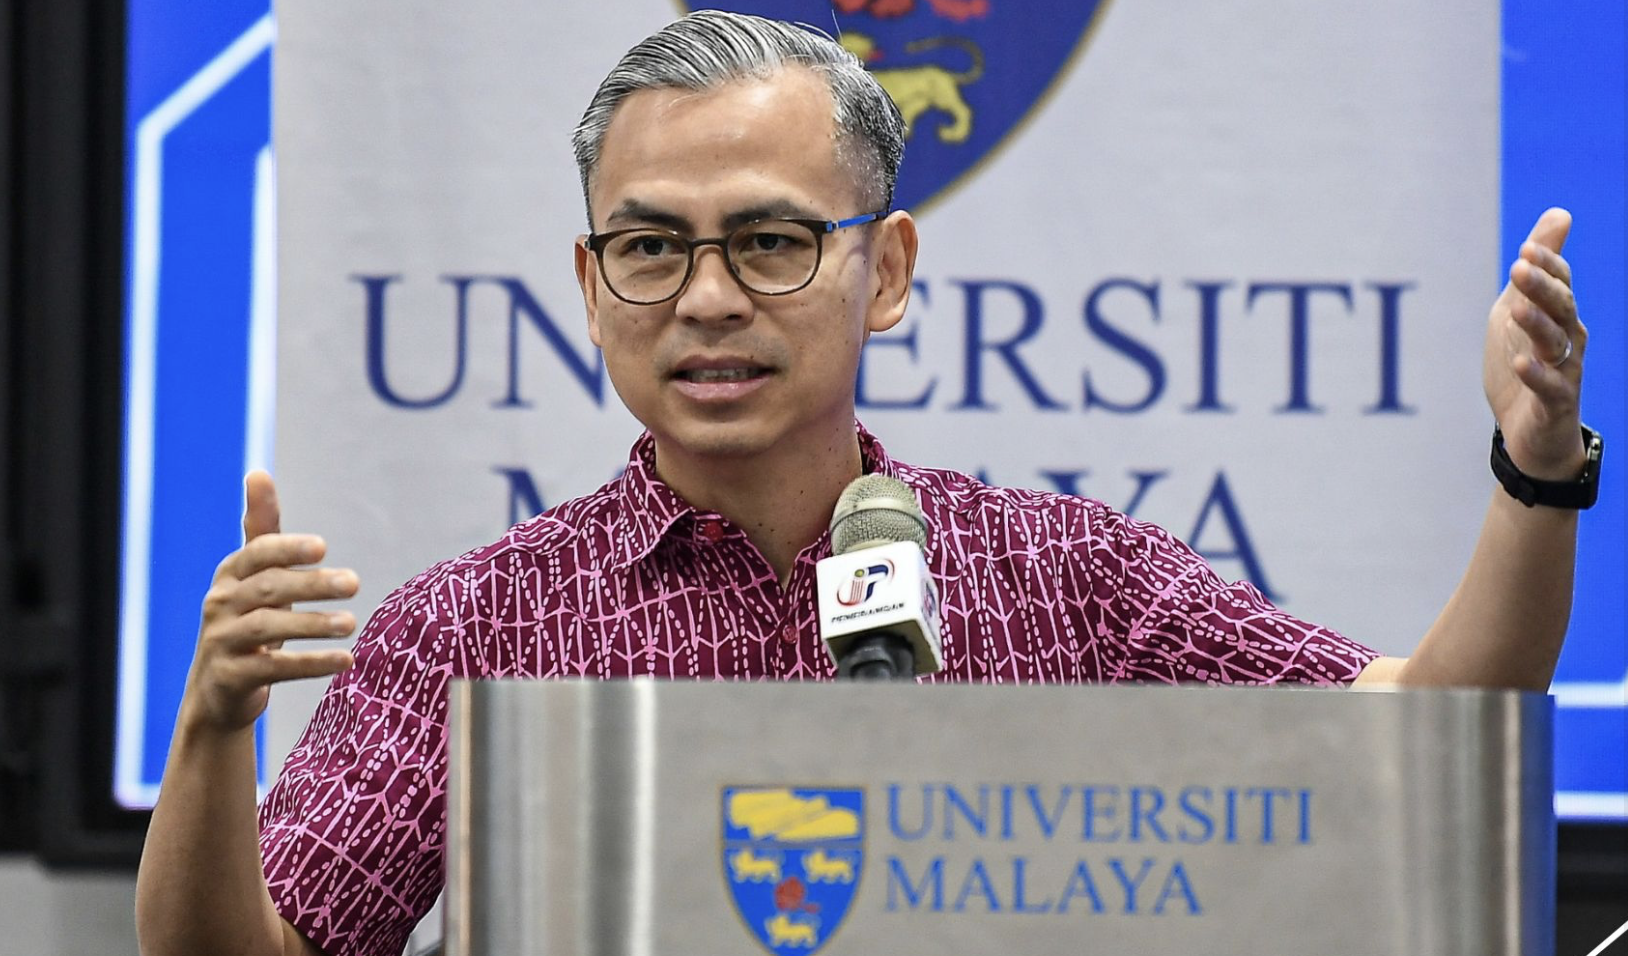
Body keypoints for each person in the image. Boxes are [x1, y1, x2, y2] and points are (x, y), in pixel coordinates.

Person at [134, 10, 1597, 956]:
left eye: (771, 242)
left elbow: (1430, 727)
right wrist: (211, 733)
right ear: (589, 283)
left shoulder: (1064, 579)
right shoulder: (476, 628)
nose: (708, 298)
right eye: (650, 248)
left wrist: (1533, 473)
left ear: (884, 271)